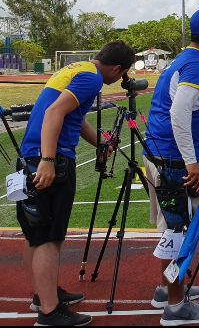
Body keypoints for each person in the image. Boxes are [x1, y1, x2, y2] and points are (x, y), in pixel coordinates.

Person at [18, 41, 135, 326]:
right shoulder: (92, 78)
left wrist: (101, 142)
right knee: (48, 238)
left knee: (39, 235)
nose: (119, 80)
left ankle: (43, 294)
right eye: (122, 74)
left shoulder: (76, 69)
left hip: (34, 156)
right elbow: (54, 113)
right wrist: (47, 159)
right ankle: (49, 312)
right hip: (49, 160)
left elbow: (73, 116)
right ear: (117, 68)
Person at [143, 8, 199, 326]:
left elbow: (190, 108)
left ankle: (168, 288)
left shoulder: (187, 59)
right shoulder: (196, 64)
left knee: (171, 228)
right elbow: (179, 113)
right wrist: (192, 164)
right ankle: (175, 305)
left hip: (160, 155)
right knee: (177, 232)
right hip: (171, 162)